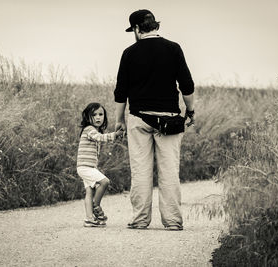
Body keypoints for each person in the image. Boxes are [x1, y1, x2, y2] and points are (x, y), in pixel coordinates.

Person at [114, 9, 195, 230]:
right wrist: (190, 111)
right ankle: (172, 221)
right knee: (169, 171)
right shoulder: (173, 48)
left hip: (139, 119)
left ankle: (140, 220)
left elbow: (121, 92)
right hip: (169, 119)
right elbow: (187, 85)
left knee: (140, 170)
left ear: (138, 29)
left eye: (134, 30)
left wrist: (119, 119)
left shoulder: (129, 53)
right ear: (155, 25)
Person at [76, 102, 123, 227]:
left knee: (89, 191)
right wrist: (114, 135)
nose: (98, 117)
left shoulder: (94, 130)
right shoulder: (89, 130)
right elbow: (100, 138)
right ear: (87, 117)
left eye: (101, 114)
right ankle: (96, 206)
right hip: (85, 167)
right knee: (104, 182)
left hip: (86, 167)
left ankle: (89, 219)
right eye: (94, 115)